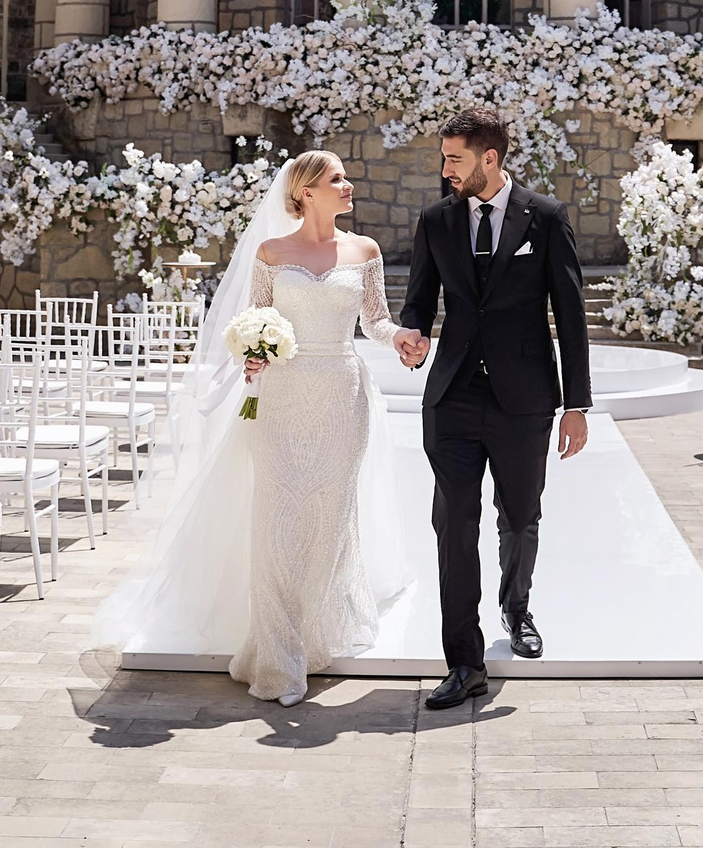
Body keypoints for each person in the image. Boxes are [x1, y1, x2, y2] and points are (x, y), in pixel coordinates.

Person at [92, 150, 412, 708]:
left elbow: (375, 320)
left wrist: (401, 337)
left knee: (329, 520)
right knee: (277, 524)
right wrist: (254, 356)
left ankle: (312, 634)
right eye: (337, 178)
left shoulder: (364, 251)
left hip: (342, 395)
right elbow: (255, 321)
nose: (349, 184)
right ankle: (278, 659)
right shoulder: (271, 252)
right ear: (307, 191)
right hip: (281, 402)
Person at [394, 106, 593, 710]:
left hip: (525, 398)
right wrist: (412, 332)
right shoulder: (436, 219)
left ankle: (517, 607)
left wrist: (575, 404)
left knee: (520, 516)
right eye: (444, 158)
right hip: (452, 396)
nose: (445, 169)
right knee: (453, 523)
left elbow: (572, 313)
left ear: (490, 158)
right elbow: (420, 298)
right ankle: (465, 663)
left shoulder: (546, 217)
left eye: (455, 158)